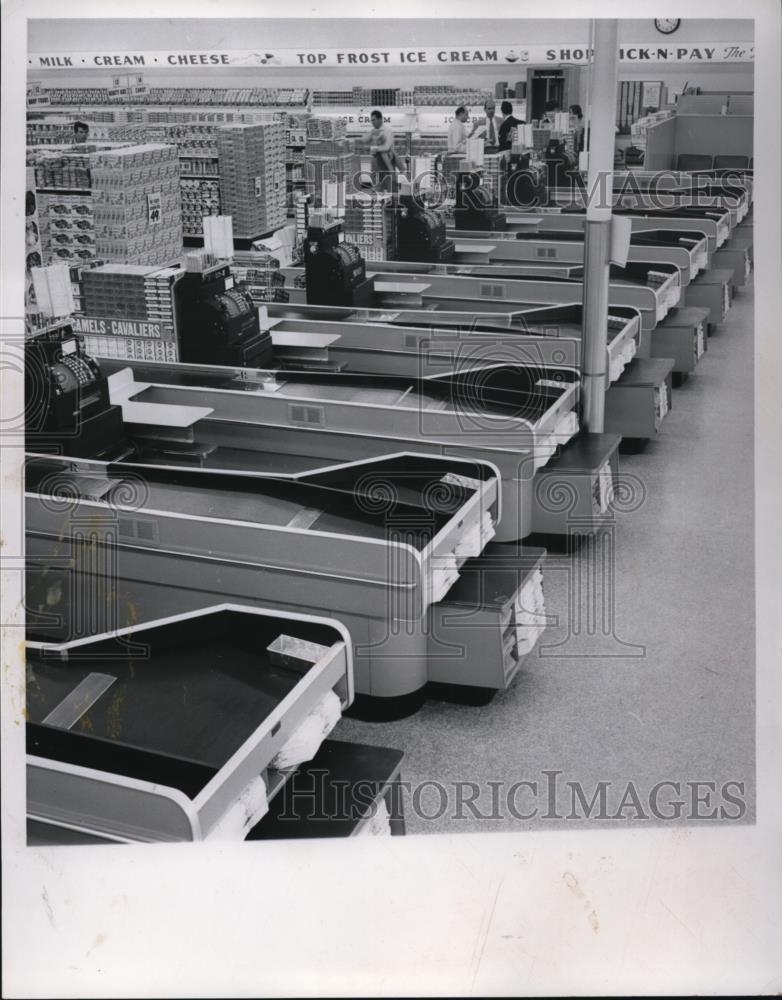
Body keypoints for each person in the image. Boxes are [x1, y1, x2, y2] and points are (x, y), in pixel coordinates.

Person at [364, 110, 400, 191]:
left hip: (387, 163)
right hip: (376, 163)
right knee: (378, 187)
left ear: (380, 119)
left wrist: (373, 148)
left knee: (390, 186)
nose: (372, 122)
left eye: (374, 120)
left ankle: (392, 201)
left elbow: (386, 147)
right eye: (371, 120)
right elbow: (366, 142)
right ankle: (380, 199)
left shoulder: (387, 130)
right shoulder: (373, 131)